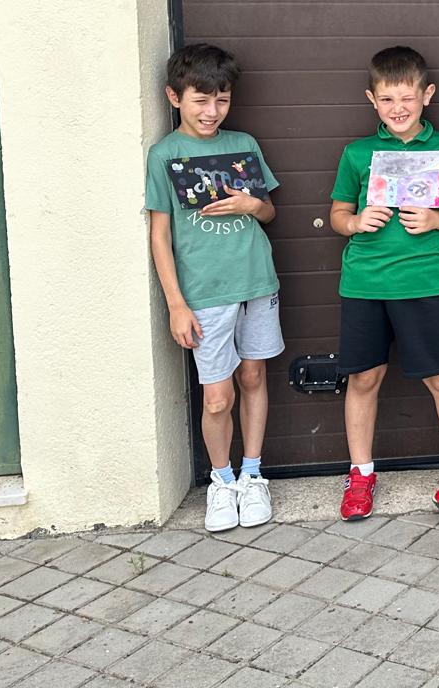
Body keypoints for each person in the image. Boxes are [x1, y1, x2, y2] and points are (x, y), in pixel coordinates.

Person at [329, 46, 439, 522]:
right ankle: (361, 473)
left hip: (423, 280)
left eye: (408, 98)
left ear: (427, 95)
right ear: (372, 99)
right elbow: (337, 213)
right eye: (388, 99)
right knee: (364, 377)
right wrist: (355, 222)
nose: (398, 108)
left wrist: (437, 219)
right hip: (365, 283)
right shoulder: (358, 153)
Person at [146, 44, 282, 532]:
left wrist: (251, 205)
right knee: (217, 397)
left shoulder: (243, 143)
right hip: (204, 292)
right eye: (200, 100)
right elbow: (159, 235)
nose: (211, 111)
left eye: (221, 100)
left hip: (256, 280)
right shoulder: (164, 154)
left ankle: (252, 474)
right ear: (174, 97)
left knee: (254, 378)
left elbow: (268, 212)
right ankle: (221, 482)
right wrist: (176, 304)